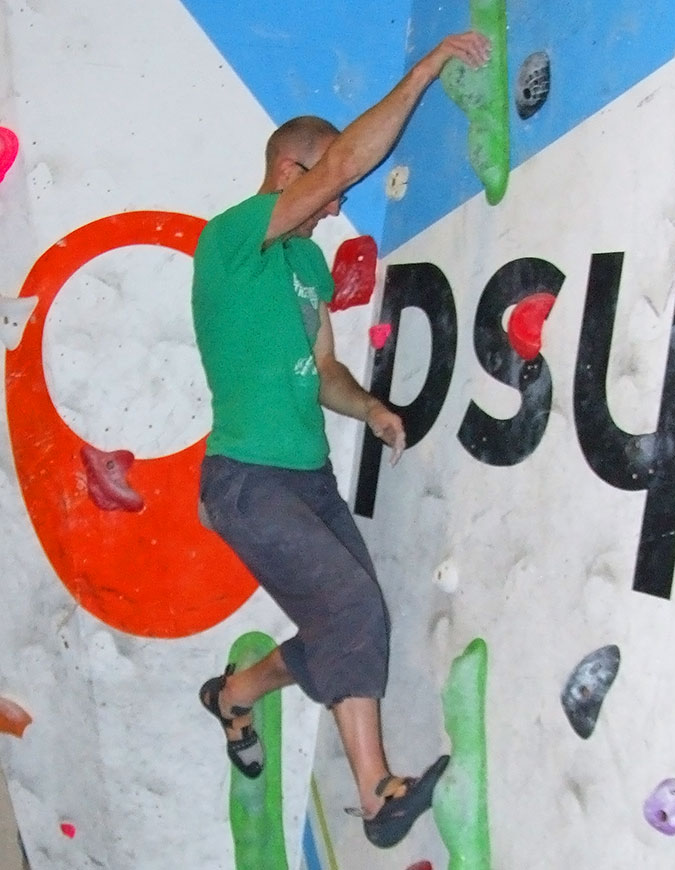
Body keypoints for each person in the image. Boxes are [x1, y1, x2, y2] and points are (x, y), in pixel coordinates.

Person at [192, 31, 491, 849]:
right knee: (351, 608)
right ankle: (253, 705)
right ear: (291, 172)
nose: (334, 211)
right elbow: (341, 165)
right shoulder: (231, 240)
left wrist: (369, 410)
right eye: (327, 195)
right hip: (247, 480)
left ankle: (363, 782)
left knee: (356, 621)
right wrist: (424, 70)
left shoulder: (308, 272)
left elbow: (322, 368)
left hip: (308, 476)